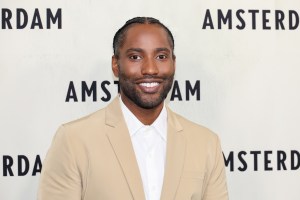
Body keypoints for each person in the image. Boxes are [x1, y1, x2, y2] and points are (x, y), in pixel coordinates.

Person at [38, 17, 228, 200]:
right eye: (135, 57)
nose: (150, 69)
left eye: (161, 56)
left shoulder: (206, 143)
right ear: (115, 65)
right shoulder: (73, 141)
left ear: (174, 63)